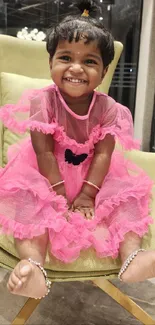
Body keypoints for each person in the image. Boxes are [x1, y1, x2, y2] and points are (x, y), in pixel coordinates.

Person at [0, 0, 154, 300]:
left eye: (90, 61)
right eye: (66, 57)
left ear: (105, 70)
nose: (76, 68)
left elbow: (104, 154)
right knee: (27, 203)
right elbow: (43, 152)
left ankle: (133, 257)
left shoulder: (109, 108)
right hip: (45, 174)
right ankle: (32, 265)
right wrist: (57, 191)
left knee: (127, 197)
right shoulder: (43, 102)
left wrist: (87, 193)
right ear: (51, 63)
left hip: (94, 177)